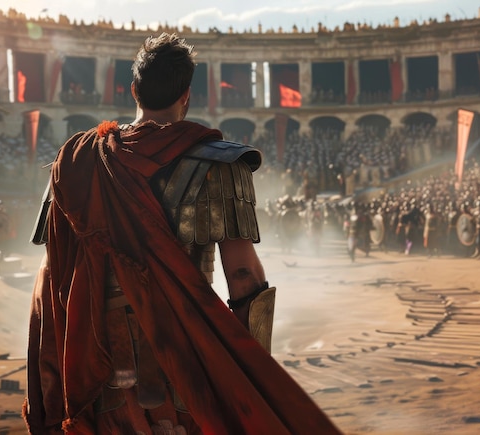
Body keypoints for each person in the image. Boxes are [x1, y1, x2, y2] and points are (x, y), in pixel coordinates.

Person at [23, 33, 341, 434]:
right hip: (188, 359)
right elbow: (244, 277)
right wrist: (248, 370)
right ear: (187, 96)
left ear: (134, 89)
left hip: (96, 364)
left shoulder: (76, 163)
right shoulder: (221, 165)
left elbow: (50, 279)